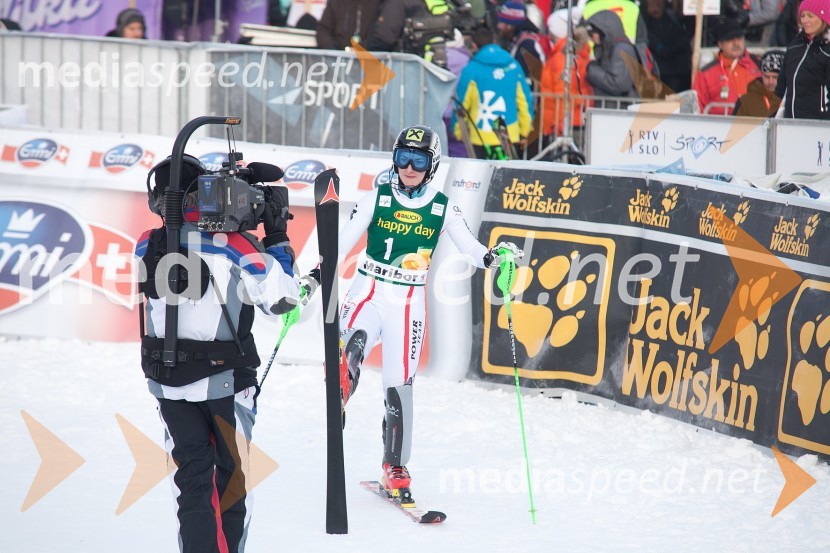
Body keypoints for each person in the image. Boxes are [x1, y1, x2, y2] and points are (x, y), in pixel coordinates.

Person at [299, 125, 523, 503]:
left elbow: (470, 248)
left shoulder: (442, 206)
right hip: (369, 288)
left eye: (419, 160)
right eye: (403, 157)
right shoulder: (377, 197)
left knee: (399, 387)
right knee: (354, 342)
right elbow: (341, 242)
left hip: (408, 300)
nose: (409, 167)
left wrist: (494, 258)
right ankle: (338, 388)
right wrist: (315, 278)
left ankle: (394, 467)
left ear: (432, 164)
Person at [135, 154, 300, 553]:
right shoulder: (238, 246)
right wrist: (277, 236)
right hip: (224, 383)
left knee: (193, 483)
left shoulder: (146, 243)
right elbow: (284, 300)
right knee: (231, 483)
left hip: (167, 383)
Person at [452, 26, 535, 159]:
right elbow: (524, 101)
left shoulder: (471, 69)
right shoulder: (513, 65)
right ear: (494, 41)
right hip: (509, 135)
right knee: (507, 178)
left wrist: (458, 132)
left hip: (480, 136)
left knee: (481, 177)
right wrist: (525, 130)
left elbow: (462, 103)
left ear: (474, 45)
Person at [540, 8, 593, 139]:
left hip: (564, 125)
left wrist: (558, 124)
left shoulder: (562, 57)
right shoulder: (569, 53)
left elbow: (563, 95)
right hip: (571, 121)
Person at [692, 20, 761, 114]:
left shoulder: (759, 65)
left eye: (739, 38)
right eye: (730, 40)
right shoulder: (706, 73)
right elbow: (697, 108)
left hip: (757, 125)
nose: (736, 43)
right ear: (720, 44)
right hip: (719, 127)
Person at [775, 0, 830, 119]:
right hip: (791, 124)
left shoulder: (827, 51)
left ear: (824, 18)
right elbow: (780, 88)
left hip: (817, 128)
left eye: (810, 16)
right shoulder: (795, 46)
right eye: (802, 15)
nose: (805, 20)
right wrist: (765, 118)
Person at [585, 10, 642, 98]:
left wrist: (592, 70)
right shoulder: (609, 48)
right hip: (612, 106)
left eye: (591, 35)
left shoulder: (622, 49)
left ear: (603, 32)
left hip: (620, 108)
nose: (590, 39)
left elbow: (619, 84)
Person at [642, 0, 692, 93]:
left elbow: (689, 30)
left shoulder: (678, 10)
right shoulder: (647, 13)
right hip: (660, 65)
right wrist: (658, 46)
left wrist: (673, 48)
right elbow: (645, 30)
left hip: (676, 65)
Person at [496, 1, 551, 79]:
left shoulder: (528, 45)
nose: (498, 26)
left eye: (502, 22)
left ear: (510, 26)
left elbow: (523, 76)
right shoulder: (516, 41)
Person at [733, 49, 784, 116]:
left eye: (775, 77)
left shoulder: (793, 97)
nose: (771, 82)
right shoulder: (747, 101)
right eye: (766, 77)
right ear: (761, 74)